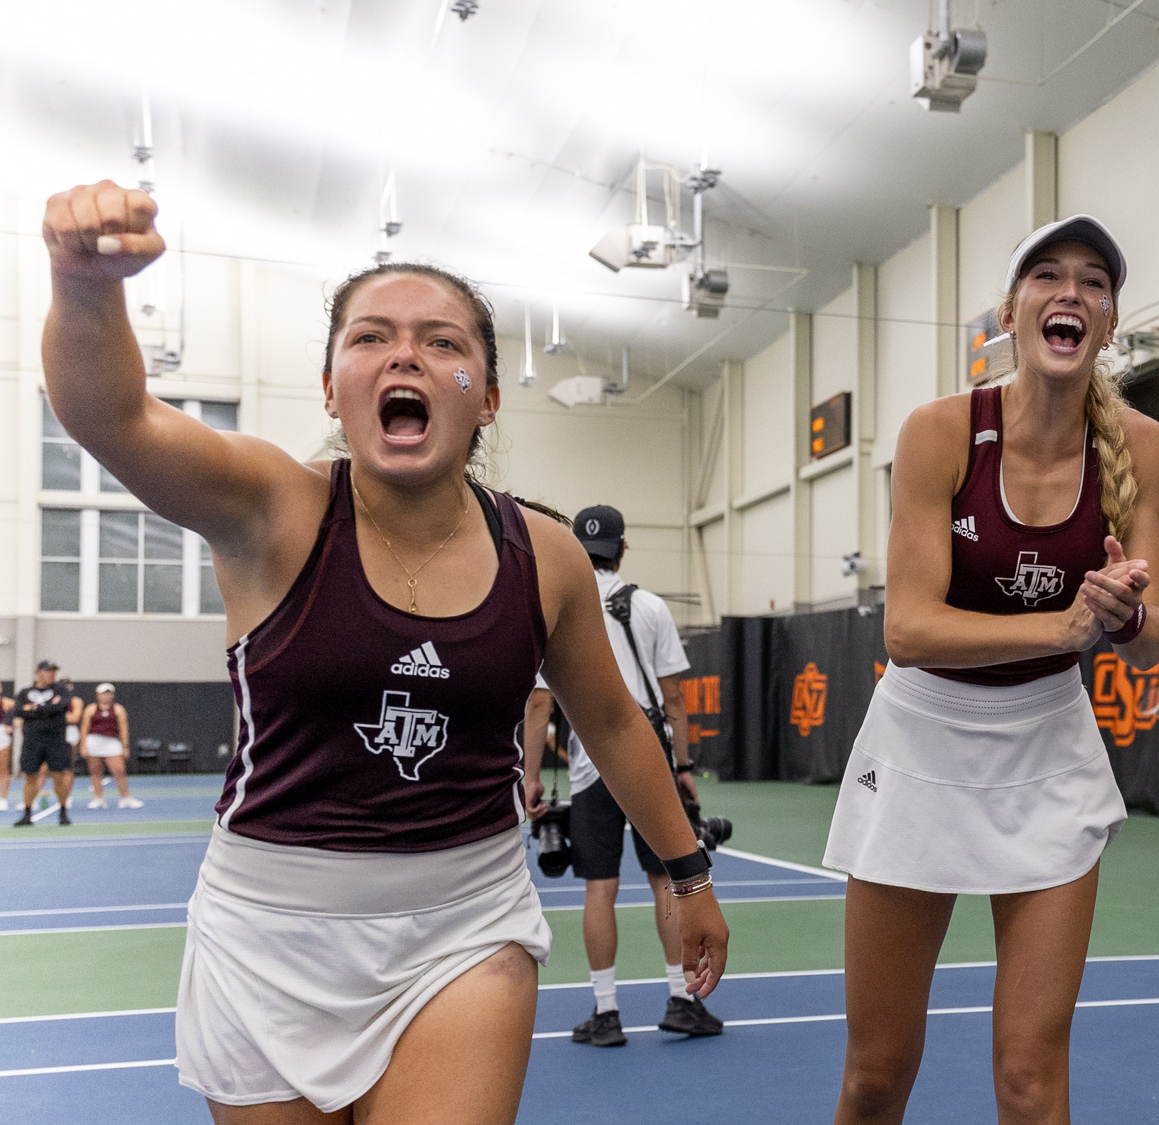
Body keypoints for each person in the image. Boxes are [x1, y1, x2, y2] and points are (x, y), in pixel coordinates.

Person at [41, 179, 728, 1123]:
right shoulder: (271, 509)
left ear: (485, 396)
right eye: (370, 336)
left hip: (465, 925)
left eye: (443, 340)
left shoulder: (546, 554)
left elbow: (610, 717)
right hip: (267, 935)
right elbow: (112, 418)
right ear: (333, 387)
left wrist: (686, 873)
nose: (404, 351)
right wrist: (84, 284)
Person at [823, 215, 1159, 1125]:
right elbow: (909, 628)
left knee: (1029, 1078)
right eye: (1048, 276)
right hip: (922, 741)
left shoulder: (1139, 445)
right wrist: (1062, 627)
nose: (1071, 293)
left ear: (1108, 318)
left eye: (1093, 281)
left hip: (1048, 749)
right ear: (1009, 314)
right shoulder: (941, 431)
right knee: (875, 1074)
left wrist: (1124, 612)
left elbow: (1157, 629)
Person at [522, 504, 724, 1048]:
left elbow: (540, 702)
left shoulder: (558, 602)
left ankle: (605, 1011)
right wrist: (682, 766)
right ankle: (684, 1000)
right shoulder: (651, 607)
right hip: (647, 758)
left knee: (599, 888)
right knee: (668, 879)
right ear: (623, 549)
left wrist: (531, 776)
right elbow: (674, 698)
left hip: (589, 767)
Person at [12, 661, 77, 826]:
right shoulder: (25, 692)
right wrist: (47, 708)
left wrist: (34, 709)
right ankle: (27, 814)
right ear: (38, 672)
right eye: (48, 671)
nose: (51, 674)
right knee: (30, 776)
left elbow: (61, 707)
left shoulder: (61, 690)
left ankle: (63, 812)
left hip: (55, 741)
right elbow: (18, 711)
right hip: (32, 741)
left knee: (58, 776)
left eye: (53, 672)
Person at [79, 683, 143, 810]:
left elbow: (124, 729)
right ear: (98, 695)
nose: (106, 696)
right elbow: (84, 728)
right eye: (103, 693)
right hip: (94, 741)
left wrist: (125, 747)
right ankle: (98, 798)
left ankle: (125, 798)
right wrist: (83, 745)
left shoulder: (118, 709)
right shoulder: (90, 709)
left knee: (119, 770)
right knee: (95, 771)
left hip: (112, 742)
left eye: (108, 693)